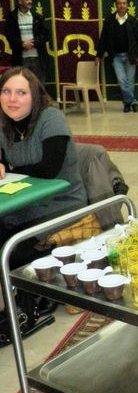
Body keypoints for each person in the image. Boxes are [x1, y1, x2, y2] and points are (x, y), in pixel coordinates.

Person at [0, 67, 87, 267]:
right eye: (6, 91)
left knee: (12, 250)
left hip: (62, 202)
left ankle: (30, 295)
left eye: (21, 93)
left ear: (35, 96)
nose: (12, 99)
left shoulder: (51, 117)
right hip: (23, 201)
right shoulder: (3, 122)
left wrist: (11, 169)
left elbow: (49, 169)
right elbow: (5, 160)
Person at [96, 0, 138, 113]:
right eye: (119, 3)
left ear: (127, 5)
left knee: (130, 80)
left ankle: (127, 104)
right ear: (115, 5)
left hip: (130, 56)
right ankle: (133, 102)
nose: (121, 5)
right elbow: (103, 38)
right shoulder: (109, 20)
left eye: (124, 3)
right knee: (122, 80)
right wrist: (99, 55)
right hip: (116, 56)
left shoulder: (133, 21)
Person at [5, 0, 51, 85]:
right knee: (22, 85)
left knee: (38, 86)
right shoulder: (11, 17)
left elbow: (46, 35)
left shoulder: (37, 16)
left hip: (37, 58)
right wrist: (22, 44)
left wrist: (34, 42)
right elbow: (10, 36)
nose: (30, 1)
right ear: (19, 1)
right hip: (20, 58)